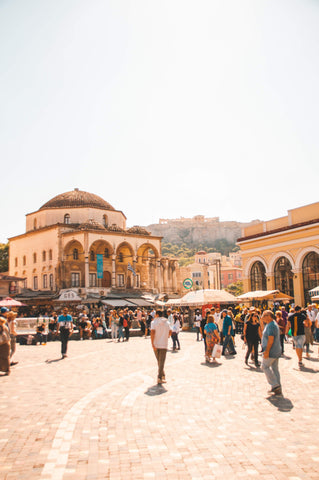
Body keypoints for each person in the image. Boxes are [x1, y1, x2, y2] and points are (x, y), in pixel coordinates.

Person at [261, 310, 282, 396]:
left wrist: (267, 351)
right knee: (275, 369)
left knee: (264, 366)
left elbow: (270, 340)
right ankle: (278, 387)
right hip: (276, 350)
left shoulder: (271, 326)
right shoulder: (271, 324)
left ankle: (274, 385)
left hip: (271, 351)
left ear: (269, 316)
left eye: (264, 315)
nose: (262, 317)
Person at [150, 310, 172, 384]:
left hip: (156, 343)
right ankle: (162, 376)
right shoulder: (167, 323)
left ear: (156, 315)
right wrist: (167, 336)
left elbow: (152, 332)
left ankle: (160, 376)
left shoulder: (153, 322)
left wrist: (152, 343)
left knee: (159, 361)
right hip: (164, 343)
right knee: (161, 361)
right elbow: (170, 331)